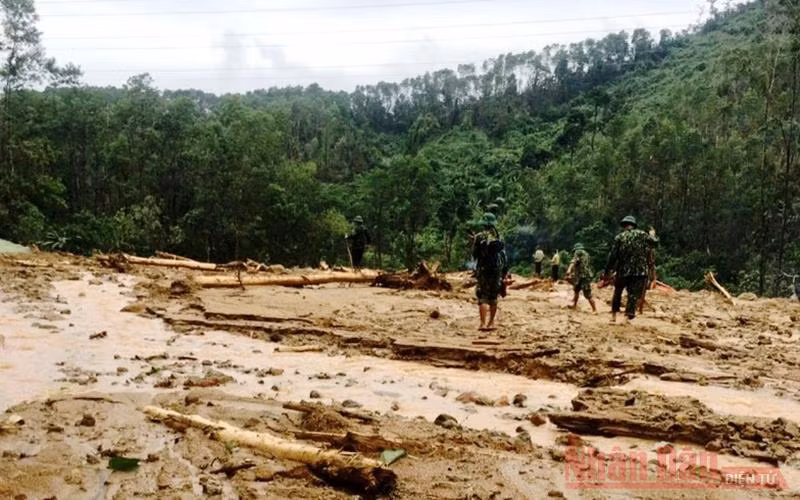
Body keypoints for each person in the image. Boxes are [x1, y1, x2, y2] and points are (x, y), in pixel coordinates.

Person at [604, 215, 658, 323]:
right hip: (639, 272)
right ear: (634, 225)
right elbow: (654, 243)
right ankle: (627, 317)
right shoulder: (642, 235)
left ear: (624, 226)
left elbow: (613, 256)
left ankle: (614, 315)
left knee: (618, 292)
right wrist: (652, 234)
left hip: (623, 270)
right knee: (633, 294)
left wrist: (607, 271)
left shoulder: (619, 237)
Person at [472, 213, 509, 331]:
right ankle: (491, 323)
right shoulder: (499, 236)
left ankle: (482, 324)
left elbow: (474, 254)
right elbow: (504, 256)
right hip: (497, 269)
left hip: (483, 269)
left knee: (482, 295)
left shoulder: (479, 236)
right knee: (493, 296)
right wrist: (504, 273)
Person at [566, 243, 597, 312]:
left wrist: (569, 270)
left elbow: (573, 261)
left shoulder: (578, 252)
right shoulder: (586, 254)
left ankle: (594, 309)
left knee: (587, 293)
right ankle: (574, 305)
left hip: (583, 276)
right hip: (582, 276)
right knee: (576, 290)